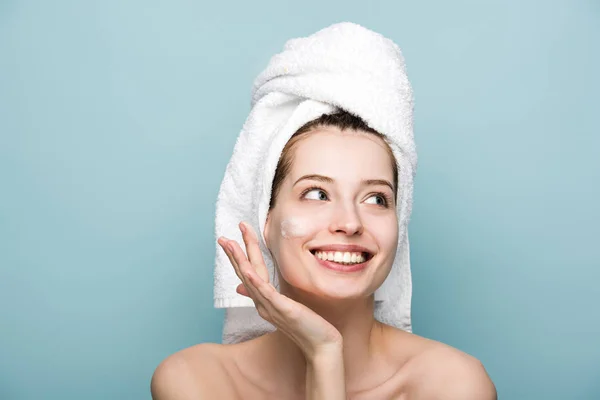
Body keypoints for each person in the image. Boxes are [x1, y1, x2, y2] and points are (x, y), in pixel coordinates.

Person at [150, 111, 497, 399]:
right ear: (265, 221)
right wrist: (324, 352)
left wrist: (324, 355)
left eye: (376, 198)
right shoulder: (197, 382)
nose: (350, 222)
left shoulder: (453, 386)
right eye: (317, 193)